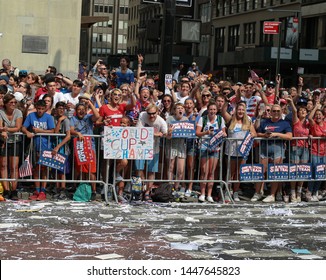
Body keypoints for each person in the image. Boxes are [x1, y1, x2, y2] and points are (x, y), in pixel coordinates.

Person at [251, 104, 293, 203]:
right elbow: (257, 133)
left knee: (275, 172)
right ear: (270, 112)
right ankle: (258, 192)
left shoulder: (285, 123)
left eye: (278, 111)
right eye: (274, 111)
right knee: (261, 171)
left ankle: (272, 194)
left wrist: (276, 134)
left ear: (281, 112)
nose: (276, 113)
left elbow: (289, 136)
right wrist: (264, 135)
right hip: (265, 149)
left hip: (278, 149)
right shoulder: (265, 122)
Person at [222, 101, 256, 202]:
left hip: (242, 151)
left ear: (245, 111)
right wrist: (226, 101)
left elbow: (254, 132)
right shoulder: (231, 119)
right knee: (230, 173)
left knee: (238, 173)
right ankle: (227, 191)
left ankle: (236, 192)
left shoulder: (248, 120)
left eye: (242, 109)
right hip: (231, 151)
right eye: (239, 109)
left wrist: (251, 136)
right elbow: (223, 111)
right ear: (236, 110)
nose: (240, 111)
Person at [22, 99, 55, 201]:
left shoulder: (49, 117)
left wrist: (40, 131)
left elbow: (53, 131)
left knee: (44, 169)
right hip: (35, 146)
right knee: (35, 169)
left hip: (45, 147)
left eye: (42, 109)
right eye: (39, 109)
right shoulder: (31, 116)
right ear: (36, 108)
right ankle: (37, 190)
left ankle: (43, 191)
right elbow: (23, 127)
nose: (40, 111)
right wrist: (27, 132)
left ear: (45, 109)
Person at [134, 104, 168, 202]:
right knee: (138, 169)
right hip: (141, 146)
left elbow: (165, 134)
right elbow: (138, 130)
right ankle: (139, 190)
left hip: (154, 148)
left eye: (154, 113)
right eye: (150, 113)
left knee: (151, 171)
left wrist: (167, 133)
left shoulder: (161, 121)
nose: (151, 116)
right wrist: (154, 133)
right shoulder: (142, 115)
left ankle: (148, 192)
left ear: (157, 112)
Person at [196, 102, 227, 203]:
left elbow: (224, 131)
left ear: (216, 110)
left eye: (214, 109)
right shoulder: (203, 119)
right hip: (204, 146)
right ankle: (202, 193)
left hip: (215, 147)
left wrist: (223, 134)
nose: (212, 111)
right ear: (208, 110)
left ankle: (209, 194)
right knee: (204, 171)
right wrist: (206, 132)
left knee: (211, 171)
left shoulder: (220, 119)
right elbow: (197, 133)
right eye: (211, 109)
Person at [70, 100, 100, 201]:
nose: (81, 111)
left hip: (90, 146)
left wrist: (90, 104)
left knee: (91, 171)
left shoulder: (88, 118)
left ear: (86, 110)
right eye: (79, 109)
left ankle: (94, 191)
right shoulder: (73, 119)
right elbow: (70, 129)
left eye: (83, 110)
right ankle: (80, 190)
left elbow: (97, 116)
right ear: (76, 111)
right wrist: (77, 133)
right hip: (79, 147)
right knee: (80, 170)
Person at [0, 94, 23, 200]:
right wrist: (3, 129)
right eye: (11, 102)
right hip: (3, 141)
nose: (13, 104)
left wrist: (6, 130)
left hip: (15, 141)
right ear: (6, 103)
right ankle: (6, 190)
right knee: (3, 166)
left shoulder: (18, 112)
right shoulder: (1, 112)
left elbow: (18, 128)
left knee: (14, 167)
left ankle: (14, 190)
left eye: (15, 102)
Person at [287, 96, 310, 202]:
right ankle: (292, 192)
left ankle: (299, 192)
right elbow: (294, 111)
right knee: (294, 170)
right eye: (301, 110)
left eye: (305, 111)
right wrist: (292, 102)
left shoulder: (308, 123)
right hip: (295, 148)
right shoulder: (296, 121)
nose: (303, 112)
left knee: (303, 170)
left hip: (305, 149)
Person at [165, 103, 188, 191]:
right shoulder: (170, 119)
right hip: (171, 145)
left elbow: (189, 132)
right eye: (178, 108)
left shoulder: (186, 119)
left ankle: (177, 186)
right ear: (175, 110)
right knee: (170, 167)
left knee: (180, 169)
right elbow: (166, 135)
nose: (180, 110)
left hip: (181, 146)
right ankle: (170, 186)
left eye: (182, 108)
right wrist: (169, 132)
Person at [51, 102, 71, 200]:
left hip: (62, 148)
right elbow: (55, 132)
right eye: (59, 108)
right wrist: (59, 121)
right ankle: (57, 188)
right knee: (56, 169)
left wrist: (58, 146)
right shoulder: (54, 119)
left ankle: (62, 189)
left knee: (62, 171)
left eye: (63, 109)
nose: (61, 110)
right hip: (55, 147)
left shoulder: (66, 120)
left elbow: (68, 136)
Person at [307, 102, 326, 202]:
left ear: (323, 116)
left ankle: (316, 191)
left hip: (325, 153)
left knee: (321, 173)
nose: (318, 116)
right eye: (317, 115)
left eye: (320, 114)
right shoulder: (314, 124)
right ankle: (309, 191)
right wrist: (316, 107)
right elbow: (309, 118)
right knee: (314, 171)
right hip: (315, 151)